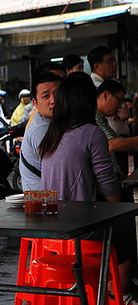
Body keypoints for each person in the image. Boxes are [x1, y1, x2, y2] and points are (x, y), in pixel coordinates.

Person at [39, 72, 137, 303]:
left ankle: (108, 287)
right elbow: (106, 182)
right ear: (87, 101)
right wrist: (118, 211)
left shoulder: (52, 134)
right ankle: (119, 293)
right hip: (79, 231)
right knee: (128, 230)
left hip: (49, 231)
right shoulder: (92, 133)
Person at [18, 72, 63, 191]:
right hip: (44, 202)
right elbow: (58, 172)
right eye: (46, 96)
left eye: (57, 94)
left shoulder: (53, 123)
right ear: (35, 103)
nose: (53, 100)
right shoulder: (41, 129)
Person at [96, 80, 138, 200]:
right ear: (105, 95)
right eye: (119, 100)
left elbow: (125, 144)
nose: (120, 106)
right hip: (106, 188)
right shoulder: (95, 118)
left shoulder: (103, 119)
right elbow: (112, 144)